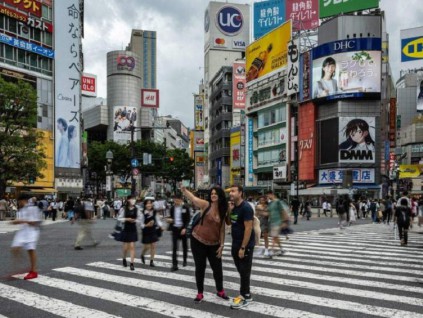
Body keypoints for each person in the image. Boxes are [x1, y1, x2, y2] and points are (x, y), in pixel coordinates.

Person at [181, 186, 229, 303]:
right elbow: (193, 198)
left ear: (220, 196)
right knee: (200, 267)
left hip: (214, 244)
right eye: (212, 193)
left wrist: (222, 245)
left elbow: (222, 229)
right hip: (198, 241)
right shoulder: (206, 204)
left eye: (215, 193)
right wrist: (184, 190)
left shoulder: (223, 209)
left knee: (217, 268)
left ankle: (220, 290)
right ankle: (200, 293)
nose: (213, 195)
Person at [228, 185, 255, 309]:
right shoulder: (234, 207)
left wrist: (243, 247)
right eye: (230, 191)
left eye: (233, 191)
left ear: (240, 193)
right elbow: (229, 222)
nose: (231, 193)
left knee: (244, 270)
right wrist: (229, 210)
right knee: (241, 271)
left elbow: (248, 228)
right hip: (235, 243)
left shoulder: (246, 208)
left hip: (244, 245)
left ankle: (245, 296)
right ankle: (246, 292)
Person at [10, 193, 42, 280]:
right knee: (14, 249)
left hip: (32, 231)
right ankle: (25, 266)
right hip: (22, 231)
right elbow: (19, 220)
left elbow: (37, 222)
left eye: (19, 201)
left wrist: (23, 221)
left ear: (23, 200)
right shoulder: (21, 210)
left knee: (30, 250)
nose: (18, 203)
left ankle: (33, 270)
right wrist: (15, 221)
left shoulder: (33, 209)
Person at [167, 193, 191, 272]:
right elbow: (171, 217)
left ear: (181, 200)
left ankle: (184, 260)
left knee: (185, 246)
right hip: (175, 230)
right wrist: (170, 220)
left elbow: (188, 220)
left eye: (178, 200)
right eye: (175, 200)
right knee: (174, 248)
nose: (176, 201)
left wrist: (185, 228)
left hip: (183, 229)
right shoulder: (172, 208)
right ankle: (175, 264)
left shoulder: (185, 208)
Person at [118, 195, 141, 271]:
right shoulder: (124, 209)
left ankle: (132, 263)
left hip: (133, 228)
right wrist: (126, 219)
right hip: (126, 228)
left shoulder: (137, 209)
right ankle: (124, 258)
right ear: (128, 200)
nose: (133, 200)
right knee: (125, 248)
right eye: (131, 199)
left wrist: (135, 220)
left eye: (134, 199)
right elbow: (119, 218)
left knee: (132, 246)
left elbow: (140, 219)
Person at [140, 198, 163, 268]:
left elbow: (158, 220)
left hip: (153, 230)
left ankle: (151, 261)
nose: (149, 205)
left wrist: (161, 226)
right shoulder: (143, 213)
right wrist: (147, 225)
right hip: (146, 230)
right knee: (146, 246)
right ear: (145, 205)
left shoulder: (154, 212)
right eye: (147, 203)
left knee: (153, 245)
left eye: (150, 203)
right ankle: (142, 255)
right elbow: (141, 224)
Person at [266, 191, 286, 257]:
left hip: (278, 222)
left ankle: (271, 251)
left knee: (274, 237)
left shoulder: (278, 202)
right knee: (276, 237)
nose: (268, 197)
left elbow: (282, 211)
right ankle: (282, 249)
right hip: (272, 222)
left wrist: (284, 221)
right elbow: (268, 213)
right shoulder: (270, 203)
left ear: (272, 194)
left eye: (268, 196)